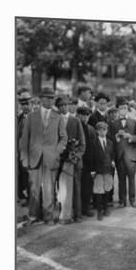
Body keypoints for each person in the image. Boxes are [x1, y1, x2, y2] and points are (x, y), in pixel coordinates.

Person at [19, 87, 67, 224]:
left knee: (49, 190)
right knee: (33, 190)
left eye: (52, 98)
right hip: (34, 159)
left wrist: (57, 151)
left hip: (51, 159)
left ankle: (48, 217)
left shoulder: (58, 117)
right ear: (41, 99)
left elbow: (64, 138)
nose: (51, 100)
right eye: (48, 98)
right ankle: (33, 216)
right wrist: (24, 158)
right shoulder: (31, 117)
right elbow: (24, 140)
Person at [55, 96, 86, 224]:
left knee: (76, 187)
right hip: (58, 159)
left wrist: (76, 156)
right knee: (59, 187)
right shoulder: (54, 121)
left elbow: (82, 143)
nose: (63, 108)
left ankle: (77, 214)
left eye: (65, 105)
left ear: (69, 106)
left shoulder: (75, 121)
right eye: (60, 106)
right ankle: (62, 213)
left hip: (73, 159)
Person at [111, 97, 136, 207]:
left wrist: (131, 137)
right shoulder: (114, 123)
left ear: (127, 109)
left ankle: (132, 200)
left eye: (125, 108)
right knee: (121, 179)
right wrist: (116, 138)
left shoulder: (133, 122)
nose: (123, 110)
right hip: (119, 155)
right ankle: (122, 200)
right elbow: (110, 140)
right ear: (118, 110)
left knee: (132, 179)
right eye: (120, 108)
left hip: (131, 155)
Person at [91, 121, 115, 220]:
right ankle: (99, 211)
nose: (102, 132)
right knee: (99, 191)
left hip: (108, 169)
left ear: (107, 130)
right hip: (98, 170)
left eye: (104, 130)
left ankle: (106, 208)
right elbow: (90, 157)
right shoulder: (93, 142)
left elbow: (112, 154)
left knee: (107, 189)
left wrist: (113, 161)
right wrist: (92, 170)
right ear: (97, 131)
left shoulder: (110, 142)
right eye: (100, 130)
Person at [76, 106, 96, 217]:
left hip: (88, 161)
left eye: (87, 115)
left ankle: (86, 207)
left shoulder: (91, 129)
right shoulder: (75, 126)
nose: (85, 117)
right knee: (78, 186)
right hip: (78, 159)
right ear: (78, 115)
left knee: (87, 186)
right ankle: (78, 208)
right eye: (83, 115)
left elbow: (93, 147)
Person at [17, 90, 32, 204]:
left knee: (31, 176)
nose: (25, 106)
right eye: (23, 104)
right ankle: (24, 196)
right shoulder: (19, 118)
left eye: (27, 103)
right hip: (21, 152)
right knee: (23, 175)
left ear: (31, 104)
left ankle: (32, 199)